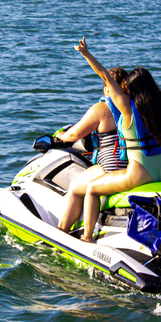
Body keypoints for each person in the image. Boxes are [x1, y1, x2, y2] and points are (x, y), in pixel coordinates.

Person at [68, 30, 161, 242]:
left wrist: (86, 54)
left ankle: (87, 238)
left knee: (92, 189)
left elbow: (105, 76)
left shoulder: (126, 107)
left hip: (141, 171)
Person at [55, 67, 129, 233]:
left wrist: (61, 136)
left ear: (106, 87)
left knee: (74, 187)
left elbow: (75, 134)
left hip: (111, 167)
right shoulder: (131, 106)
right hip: (133, 166)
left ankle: (62, 232)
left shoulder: (102, 108)